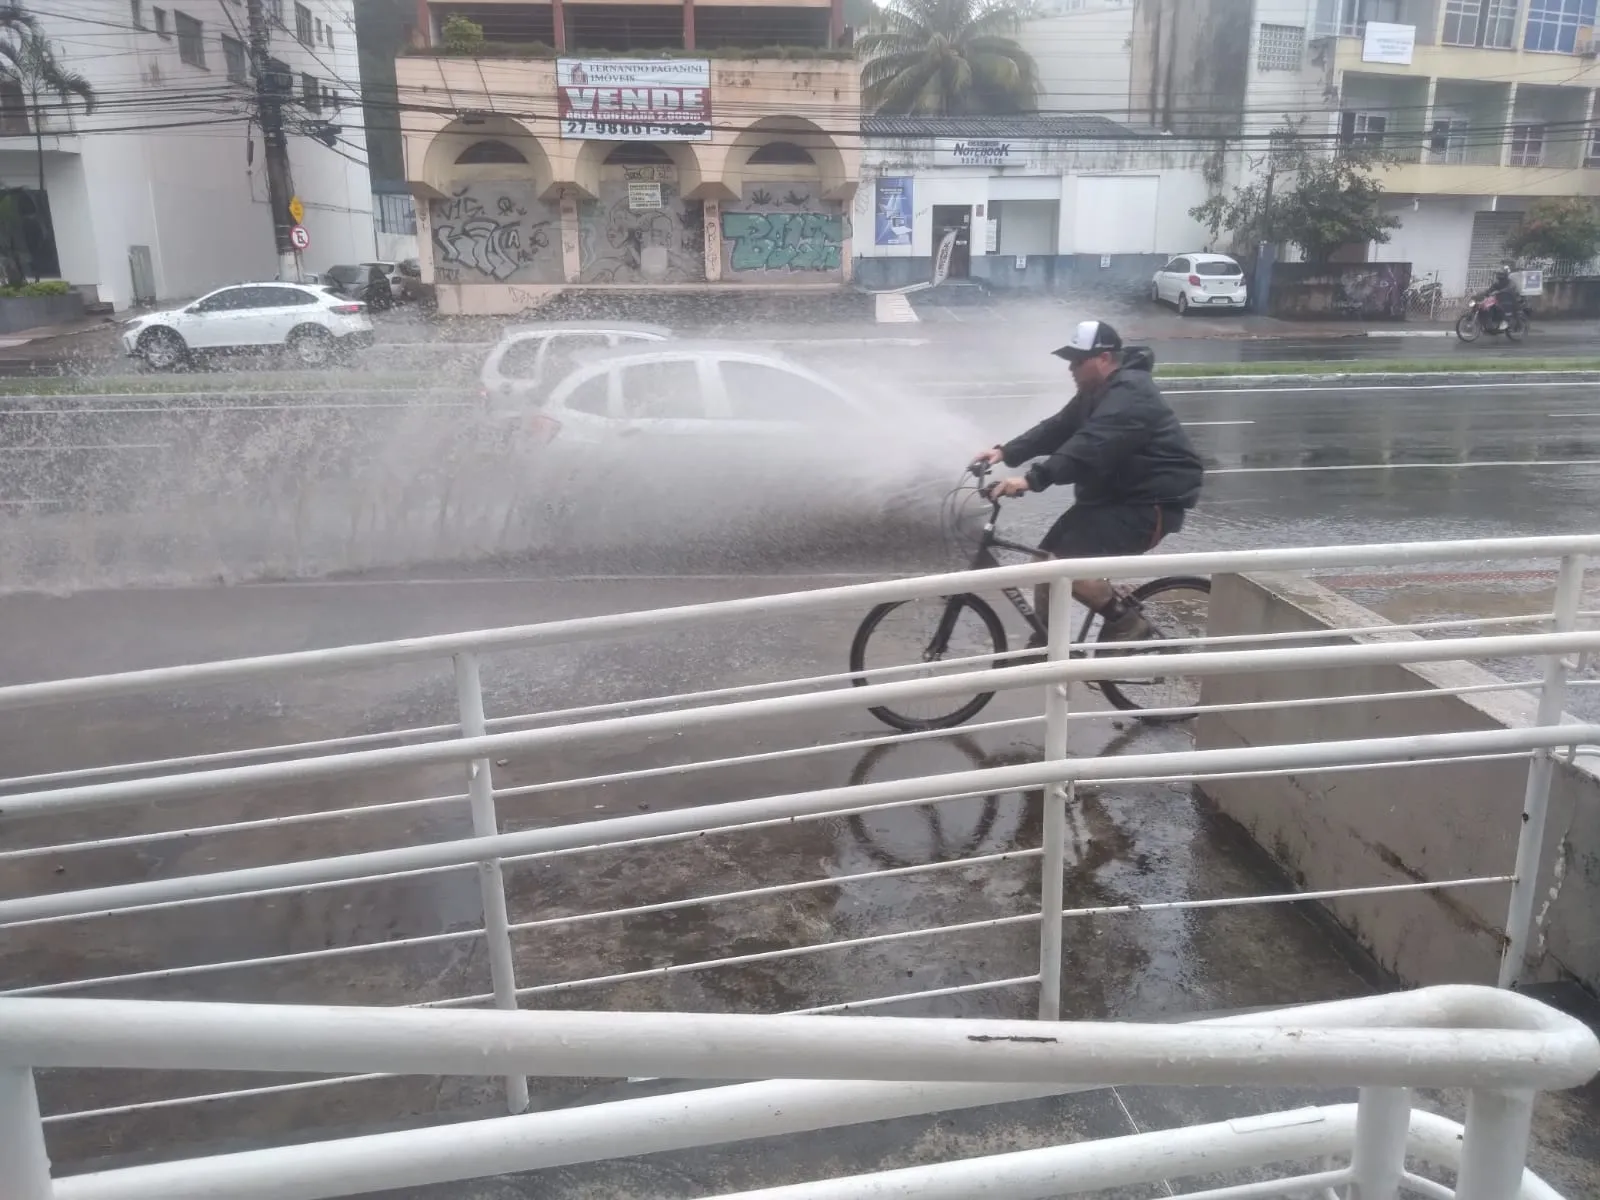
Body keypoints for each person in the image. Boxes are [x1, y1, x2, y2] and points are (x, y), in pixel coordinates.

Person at [972, 319, 1204, 645]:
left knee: (1066, 567)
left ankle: (1126, 623)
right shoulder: (1096, 391)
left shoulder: (1132, 394)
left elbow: (1090, 445)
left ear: (1104, 358)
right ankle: (1047, 644)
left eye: (1077, 360)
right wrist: (1005, 451)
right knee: (1044, 560)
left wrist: (1031, 479)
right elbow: (1058, 427)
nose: (1070, 367)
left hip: (1147, 506)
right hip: (1111, 499)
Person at [1473, 266, 1522, 332]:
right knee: (1488, 306)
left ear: (1505, 275)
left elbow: (1509, 289)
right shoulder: (1497, 283)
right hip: (1499, 299)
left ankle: (1505, 321)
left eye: (1501, 274)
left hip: (1511, 300)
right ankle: (1489, 323)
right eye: (1498, 274)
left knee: (1503, 305)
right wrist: (1480, 294)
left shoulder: (1510, 283)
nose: (1499, 276)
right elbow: (1490, 290)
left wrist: (1499, 292)